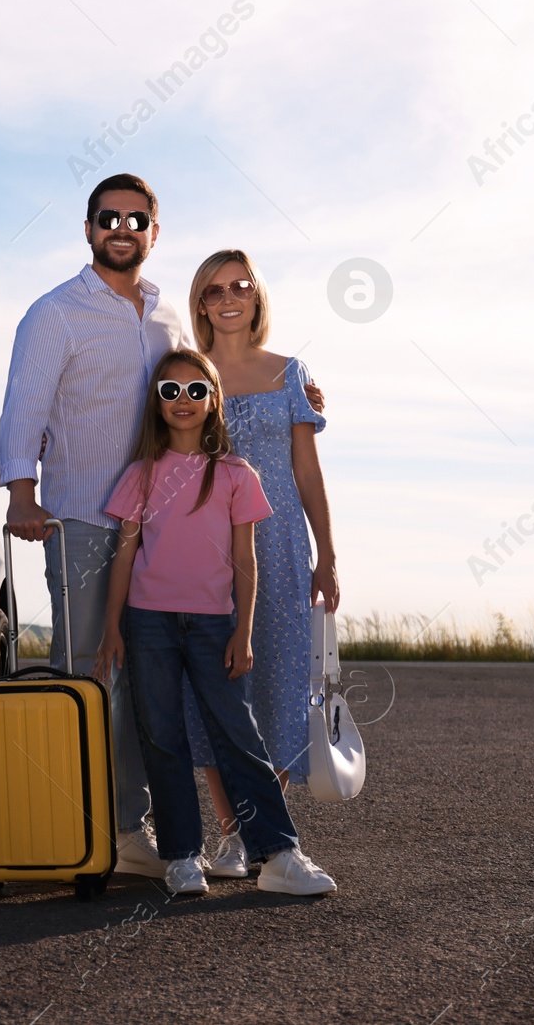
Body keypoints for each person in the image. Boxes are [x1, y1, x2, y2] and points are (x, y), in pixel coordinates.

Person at [94, 348, 336, 896]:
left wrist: (243, 630)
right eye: (170, 391)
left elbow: (246, 564)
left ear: (214, 401)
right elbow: (125, 557)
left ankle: (278, 854)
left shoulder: (234, 474)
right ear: (155, 404)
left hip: (214, 626)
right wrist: (113, 626)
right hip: (148, 624)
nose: (183, 401)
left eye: (196, 391)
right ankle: (182, 858)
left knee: (238, 734)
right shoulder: (141, 474)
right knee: (162, 736)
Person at [0, 173, 185, 878]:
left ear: (153, 233)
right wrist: (23, 495)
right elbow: (24, 409)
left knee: (145, 675)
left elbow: (199, 389)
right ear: (88, 228)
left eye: (137, 220)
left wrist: (295, 383)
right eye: (110, 218)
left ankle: (131, 825)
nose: (122, 228)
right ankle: (87, 830)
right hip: (79, 519)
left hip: (160, 529)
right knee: (89, 674)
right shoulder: (55, 313)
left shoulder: (166, 317)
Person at [178, 250, 340, 879]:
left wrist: (327, 554)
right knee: (213, 690)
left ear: (256, 297)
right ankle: (232, 837)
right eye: (215, 289)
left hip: (279, 549)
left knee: (275, 684)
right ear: (200, 303)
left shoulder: (289, 372)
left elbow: (308, 471)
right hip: (206, 551)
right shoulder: (190, 374)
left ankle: (263, 832)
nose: (228, 297)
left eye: (240, 286)